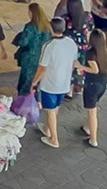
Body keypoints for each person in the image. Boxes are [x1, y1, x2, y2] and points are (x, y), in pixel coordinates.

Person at [31, 16, 80, 149]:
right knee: (55, 107)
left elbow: (42, 67)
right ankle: (48, 128)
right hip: (64, 82)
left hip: (50, 84)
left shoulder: (49, 46)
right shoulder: (71, 42)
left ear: (51, 29)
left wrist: (34, 82)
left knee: (51, 110)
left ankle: (54, 138)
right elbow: (74, 61)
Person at [75, 25, 107, 149]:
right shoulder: (103, 51)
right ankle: (87, 127)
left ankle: (93, 139)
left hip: (92, 85)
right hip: (102, 84)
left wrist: (80, 66)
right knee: (93, 108)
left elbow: (94, 70)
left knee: (92, 113)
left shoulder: (91, 53)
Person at [13, 2, 53, 96]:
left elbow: (24, 42)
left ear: (31, 13)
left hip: (29, 58)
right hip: (42, 57)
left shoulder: (30, 27)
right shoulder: (47, 26)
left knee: (25, 81)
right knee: (37, 81)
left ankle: (23, 100)